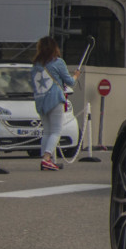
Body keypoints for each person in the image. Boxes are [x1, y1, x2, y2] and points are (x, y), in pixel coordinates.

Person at [31, 35, 79, 171]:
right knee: (56, 131)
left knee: (46, 131)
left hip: (40, 100)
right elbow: (70, 82)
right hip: (55, 99)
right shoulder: (58, 62)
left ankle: (45, 159)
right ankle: (46, 158)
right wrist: (75, 75)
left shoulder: (36, 65)